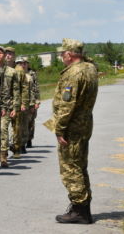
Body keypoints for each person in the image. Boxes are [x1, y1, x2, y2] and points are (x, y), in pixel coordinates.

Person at [53, 38, 98, 224]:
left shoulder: (74, 73)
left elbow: (66, 105)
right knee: (79, 165)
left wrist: (59, 129)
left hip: (72, 126)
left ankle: (80, 210)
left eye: (63, 54)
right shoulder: (90, 68)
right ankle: (83, 207)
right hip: (84, 123)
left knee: (70, 167)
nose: (62, 57)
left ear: (69, 55)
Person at [0, 46, 18, 168]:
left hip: (7, 106)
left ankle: (3, 156)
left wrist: (15, 108)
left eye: (1, 53)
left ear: (4, 56)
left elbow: (16, 91)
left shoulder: (11, 72)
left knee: (3, 130)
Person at [6, 47, 29, 159]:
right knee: (3, 128)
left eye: (10, 54)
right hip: (5, 102)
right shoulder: (2, 68)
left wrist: (24, 103)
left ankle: (16, 148)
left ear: (14, 56)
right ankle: (3, 150)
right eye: (6, 53)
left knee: (16, 127)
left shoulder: (19, 69)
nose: (8, 56)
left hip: (17, 101)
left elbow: (24, 87)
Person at [26, 61, 41, 148]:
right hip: (22, 101)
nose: (23, 65)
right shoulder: (17, 72)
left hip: (32, 100)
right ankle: (21, 140)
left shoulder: (32, 74)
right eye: (21, 63)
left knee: (31, 121)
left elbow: (36, 88)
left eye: (25, 63)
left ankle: (29, 139)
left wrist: (37, 101)